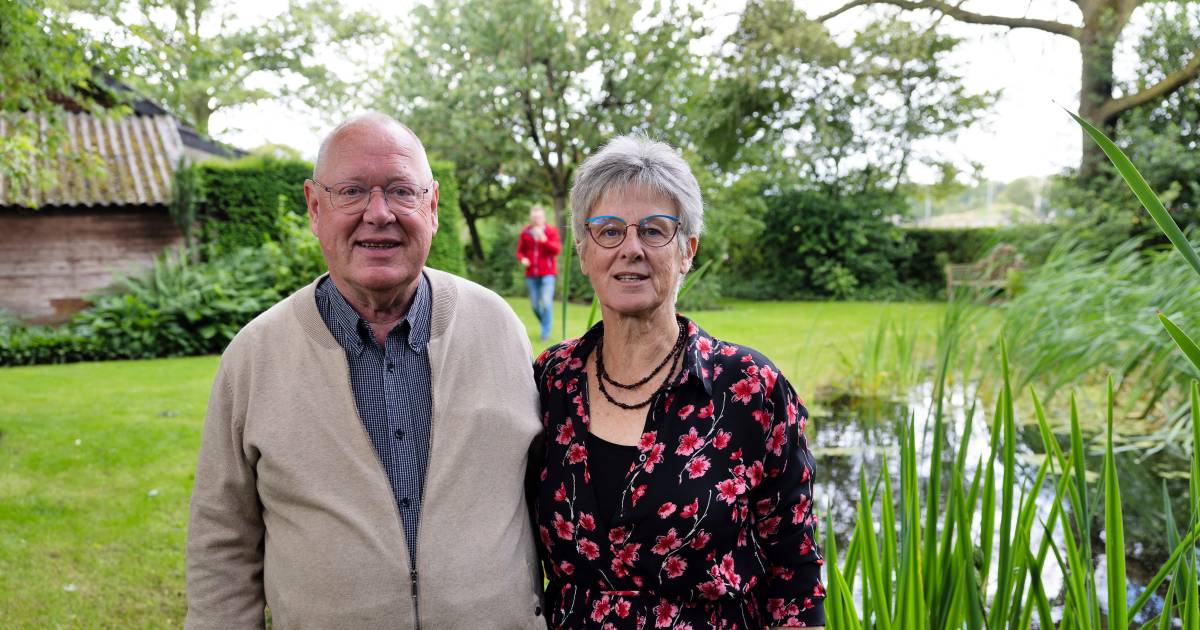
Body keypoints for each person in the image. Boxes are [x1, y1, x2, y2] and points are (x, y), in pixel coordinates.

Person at [185, 112, 545, 629]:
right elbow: (221, 543)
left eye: (402, 192)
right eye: (351, 192)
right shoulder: (255, 356)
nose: (378, 214)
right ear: (315, 207)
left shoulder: (498, 329)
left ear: (433, 206)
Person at [530, 135, 825, 629]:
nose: (630, 249)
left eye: (654, 230)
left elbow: (795, 577)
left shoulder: (752, 390)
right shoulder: (549, 382)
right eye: (608, 232)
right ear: (583, 254)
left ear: (687, 250)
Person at [517, 205, 562, 342]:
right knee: (535, 306)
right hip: (531, 274)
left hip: (547, 274)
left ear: (543, 218)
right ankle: (545, 323)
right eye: (534, 217)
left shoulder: (551, 231)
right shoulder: (525, 233)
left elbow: (556, 250)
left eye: (539, 217)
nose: (537, 220)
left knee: (547, 302)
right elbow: (520, 251)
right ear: (531, 218)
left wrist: (544, 240)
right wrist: (523, 259)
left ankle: (545, 332)